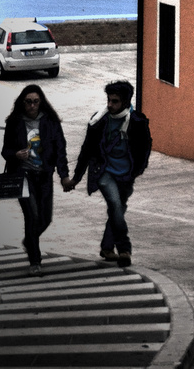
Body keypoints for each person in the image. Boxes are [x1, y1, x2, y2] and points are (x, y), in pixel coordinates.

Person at [63, 79, 152, 267]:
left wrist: (136, 171)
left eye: (115, 101)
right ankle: (125, 249)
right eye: (109, 100)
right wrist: (76, 178)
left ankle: (106, 247)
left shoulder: (137, 122)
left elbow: (145, 150)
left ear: (126, 102)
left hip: (126, 175)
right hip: (103, 172)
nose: (110, 105)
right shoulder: (99, 121)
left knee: (117, 209)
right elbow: (86, 150)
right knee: (115, 204)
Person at [1, 85, 69, 276]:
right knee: (32, 216)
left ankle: (29, 241)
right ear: (22, 103)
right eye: (28, 101)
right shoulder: (14, 123)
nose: (32, 105)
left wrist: (63, 175)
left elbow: (60, 150)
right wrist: (15, 154)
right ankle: (35, 260)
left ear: (41, 102)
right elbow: (5, 151)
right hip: (24, 176)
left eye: (36, 101)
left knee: (46, 218)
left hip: (45, 176)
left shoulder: (51, 122)